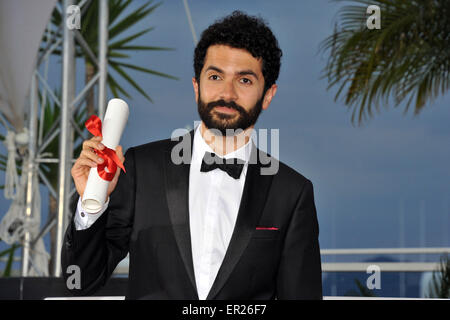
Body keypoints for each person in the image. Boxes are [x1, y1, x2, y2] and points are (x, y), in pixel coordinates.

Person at [62, 11, 322, 300]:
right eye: (215, 76)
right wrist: (92, 206)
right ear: (196, 86)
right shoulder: (140, 169)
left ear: (268, 94)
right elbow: (81, 282)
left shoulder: (291, 192)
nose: (227, 93)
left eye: (245, 80)